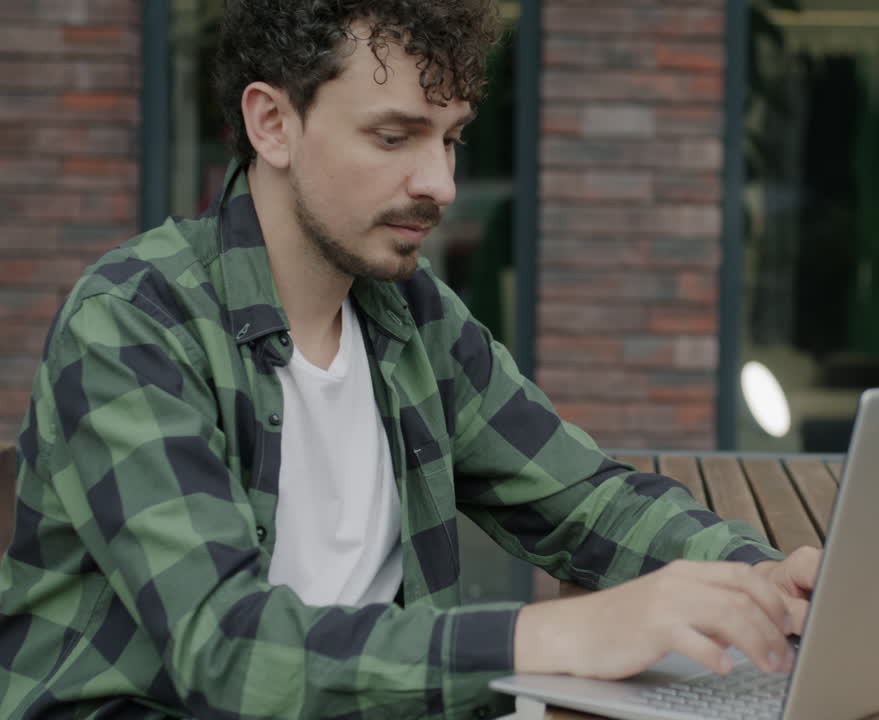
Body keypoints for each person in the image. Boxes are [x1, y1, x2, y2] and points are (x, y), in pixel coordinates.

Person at [0, 1, 820, 718]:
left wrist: (762, 580)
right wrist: (557, 633)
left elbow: (588, 502)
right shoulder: (133, 325)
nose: (440, 182)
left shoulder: (410, 314)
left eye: (452, 139)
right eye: (394, 136)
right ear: (272, 123)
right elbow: (228, 654)